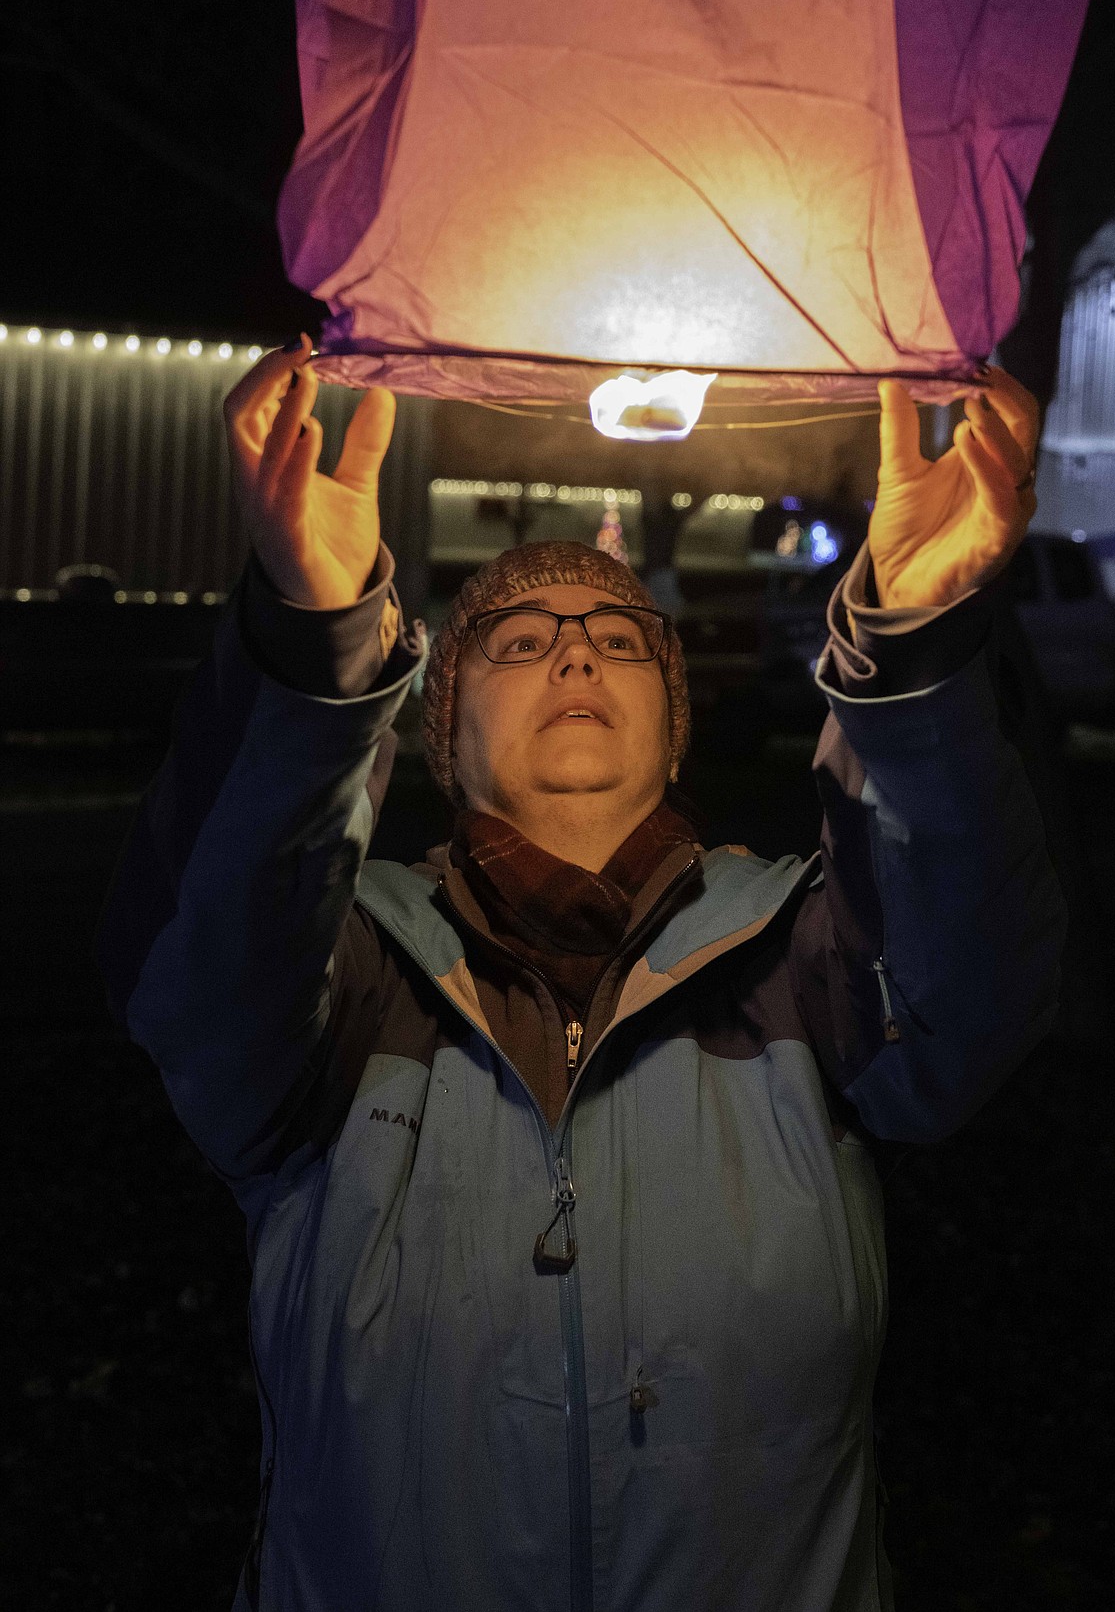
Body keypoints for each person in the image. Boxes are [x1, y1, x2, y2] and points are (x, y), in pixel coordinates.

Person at [96, 338, 1065, 1612]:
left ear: (671, 729)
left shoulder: (797, 957)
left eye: (616, 632)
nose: (573, 653)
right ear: (442, 729)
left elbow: (974, 994)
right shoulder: (343, 972)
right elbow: (195, 971)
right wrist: (308, 647)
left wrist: (922, 653)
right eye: (515, 638)